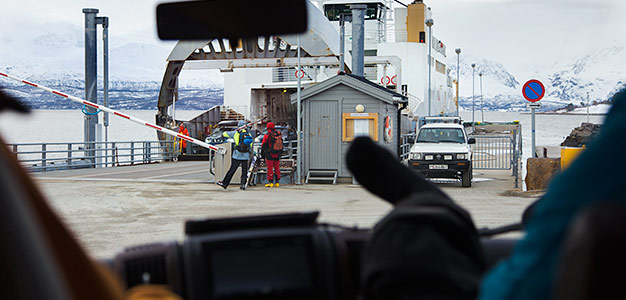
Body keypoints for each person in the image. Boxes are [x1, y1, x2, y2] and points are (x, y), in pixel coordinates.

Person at [216, 120, 253, 190]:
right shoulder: (248, 134)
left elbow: (225, 134)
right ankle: (243, 184)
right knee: (244, 171)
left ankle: (225, 183)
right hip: (245, 155)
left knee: (232, 170)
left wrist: (225, 132)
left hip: (237, 155)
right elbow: (250, 144)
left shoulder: (235, 133)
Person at [261, 122, 282, 187]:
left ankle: (271, 182)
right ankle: (277, 182)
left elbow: (263, 145)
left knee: (270, 168)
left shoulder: (267, 135)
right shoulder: (278, 134)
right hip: (277, 153)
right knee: (277, 167)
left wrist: (263, 155)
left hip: (269, 154)